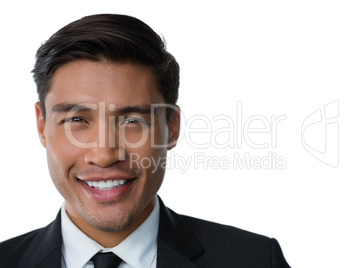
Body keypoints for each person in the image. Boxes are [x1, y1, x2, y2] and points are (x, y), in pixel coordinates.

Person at [0, 14, 291, 268]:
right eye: (77, 120)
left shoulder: (256, 260)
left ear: (171, 127)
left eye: (132, 121)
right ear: (42, 125)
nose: (103, 155)